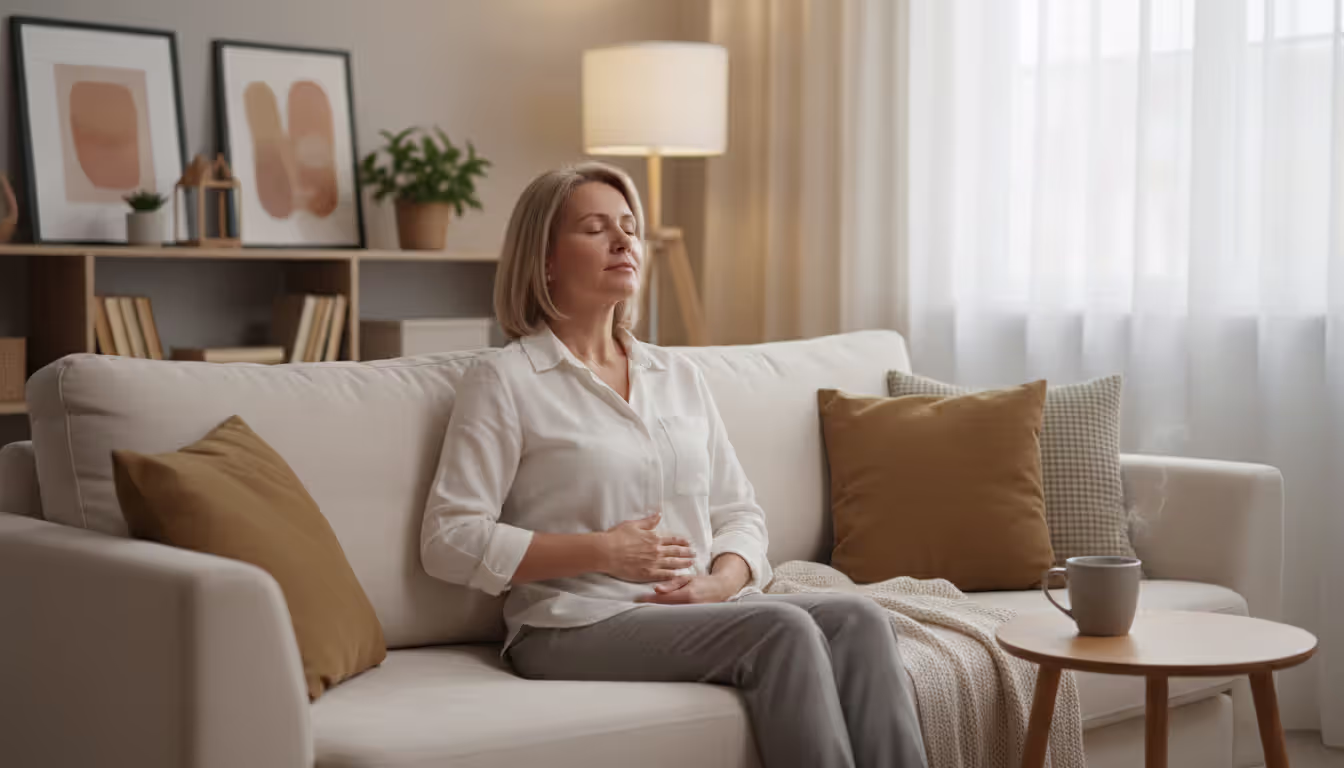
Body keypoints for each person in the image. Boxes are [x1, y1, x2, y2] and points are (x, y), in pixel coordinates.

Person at [420, 162, 927, 768]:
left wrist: (722, 582)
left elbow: (740, 511)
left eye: (629, 228)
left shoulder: (678, 375)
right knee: (784, 632)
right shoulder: (505, 380)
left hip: (700, 606)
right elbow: (449, 539)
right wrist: (602, 552)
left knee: (861, 620)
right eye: (595, 228)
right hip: (572, 622)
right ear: (545, 258)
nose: (623, 241)